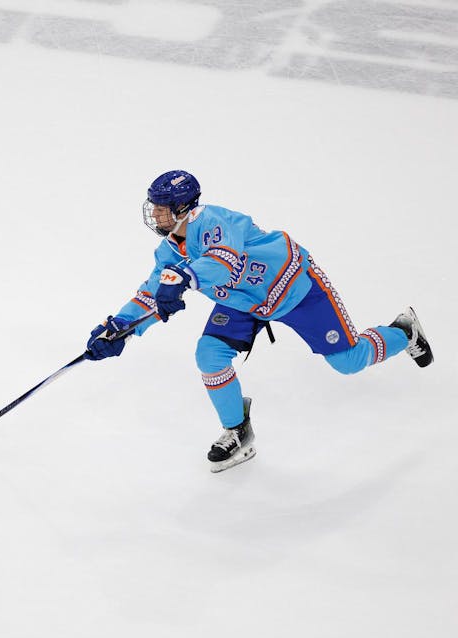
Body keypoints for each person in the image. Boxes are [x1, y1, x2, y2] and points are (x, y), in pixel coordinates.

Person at [84, 170, 433, 473]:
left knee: (348, 361)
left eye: (161, 208)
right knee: (209, 355)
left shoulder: (216, 221)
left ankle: (403, 331)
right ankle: (237, 430)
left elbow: (223, 262)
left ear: (183, 207)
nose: (155, 215)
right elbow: (151, 294)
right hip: (244, 304)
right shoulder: (169, 252)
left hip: (295, 289)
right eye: (154, 207)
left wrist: (185, 277)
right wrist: (121, 328)